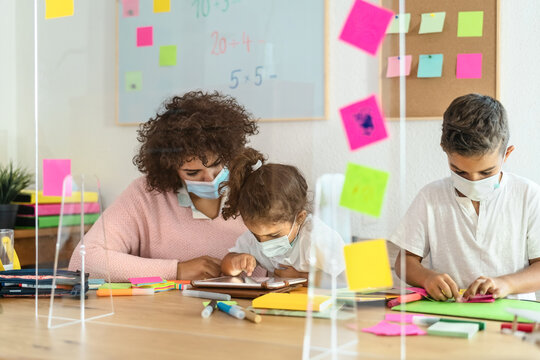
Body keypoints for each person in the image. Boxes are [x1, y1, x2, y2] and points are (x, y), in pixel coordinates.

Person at [69, 91, 258, 281]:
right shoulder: (146, 194)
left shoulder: (256, 189)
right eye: (192, 173)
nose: (210, 180)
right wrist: (176, 270)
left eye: (218, 165)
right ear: (170, 169)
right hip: (165, 309)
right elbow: (83, 261)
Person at [390, 93, 540, 301]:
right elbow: (404, 262)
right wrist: (427, 278)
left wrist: (506, 284)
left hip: (513, 320)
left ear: (507, 155)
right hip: (451, 317)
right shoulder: (430, 197)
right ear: (446, 153)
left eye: (486, 173)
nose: (473, 181)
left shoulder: (529, 196)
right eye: (459, 172)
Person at [220, 148, 345, 280]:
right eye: (256, 235)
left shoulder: (317, 238)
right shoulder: (254, 240)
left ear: (299, 218)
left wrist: (300, 276)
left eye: (274, 235)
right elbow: (226, 266)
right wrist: (235, 262)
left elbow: (348, 279)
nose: (263, 243)